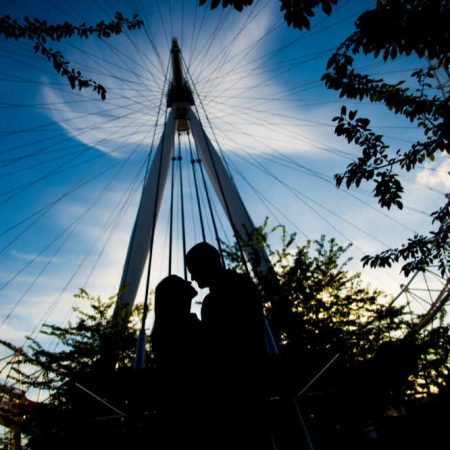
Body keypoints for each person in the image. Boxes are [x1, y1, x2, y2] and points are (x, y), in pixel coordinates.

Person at [185, 242, 270, 449]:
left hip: (235, 387)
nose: (193, 278)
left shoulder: (218, 299)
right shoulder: (244, 286)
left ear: (208, 264)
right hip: (252, 380)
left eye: (194, 271)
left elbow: (217, 346)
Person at [150, 274, 205, 449]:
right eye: (183, 282)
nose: (190, 281)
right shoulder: (188, 327)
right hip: (194, 408)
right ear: (177, 296)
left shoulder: (163, 330)